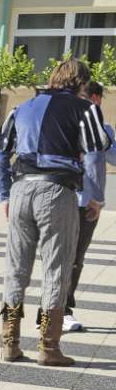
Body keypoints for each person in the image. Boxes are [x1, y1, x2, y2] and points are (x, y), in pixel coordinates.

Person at [0, 58, 108, 365]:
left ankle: (9, 343)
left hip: (21, 189)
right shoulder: (86, 109)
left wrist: (5, 195)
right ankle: (48, 346)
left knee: (16, 270)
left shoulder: (22, 108)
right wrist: (96, 197)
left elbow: (0, 154)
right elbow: (94, 155)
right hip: (57, 191)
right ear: (82, 82)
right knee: (56, 270)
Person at [64, 80, 113, 333]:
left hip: (87, 203)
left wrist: (105, 139)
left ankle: (63, 310)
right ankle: (53, 310)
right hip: (62, 198)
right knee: (60, 257)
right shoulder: (64, 124)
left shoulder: (105, 129)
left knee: (76, 258)